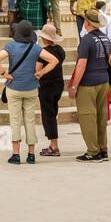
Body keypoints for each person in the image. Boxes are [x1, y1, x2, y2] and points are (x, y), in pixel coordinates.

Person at [0, 20, 57, 164]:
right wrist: (41, 73)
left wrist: (4, 73)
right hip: (31, 88)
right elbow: (54, 60)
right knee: (30, 121)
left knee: (15, 121)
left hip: (14, 87)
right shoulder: (36, 48)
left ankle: (16, 154)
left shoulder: (11, 46)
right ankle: (31, 154)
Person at [67, 8, 111, 161]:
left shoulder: (86, 40)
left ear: (87, 23)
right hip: (103, 80)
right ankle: (103, 149)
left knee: (87, 117)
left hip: (88, 84)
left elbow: (81, 65)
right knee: (101, 117)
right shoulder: (105, 38)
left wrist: (74, 85)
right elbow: (110, 60)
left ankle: (93, 151)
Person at [36, 23, 66, 156]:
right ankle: (53, 144)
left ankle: (54, 146)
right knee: (53, 113)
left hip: (46, 85)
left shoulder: (43, 52)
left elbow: (37, 70)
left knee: (48, 115)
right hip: (58, 84)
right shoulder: (60, 50)